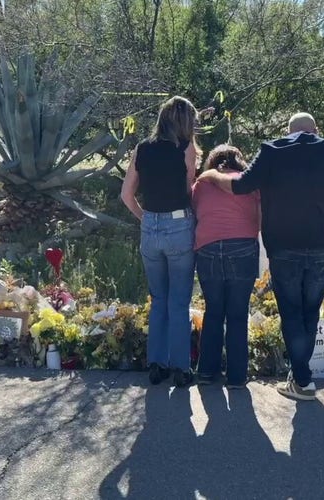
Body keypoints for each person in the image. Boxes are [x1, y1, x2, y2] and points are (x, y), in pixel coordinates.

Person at [198, 112, 324, 401]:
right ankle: (301, 377)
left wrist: (211, 174)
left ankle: (302, 379)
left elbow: (241, 185)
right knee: (311, 311)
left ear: (287, 131)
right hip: (322, 246)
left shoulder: (272, 151)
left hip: (284, 246)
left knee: (291, 312)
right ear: (316, 129)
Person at [121, 96, 200, 388]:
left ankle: (156, 363)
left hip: (151, 226)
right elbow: (189, 187)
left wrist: (146, 219)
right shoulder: (185, 148)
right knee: (179, 301)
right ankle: (181, 368)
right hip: (179, 224)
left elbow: (126, 195)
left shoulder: (142, 149)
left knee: (159, 300)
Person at [192, 145, 261, 388]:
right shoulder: (249, 183)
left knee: (213, 311)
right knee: (238, 313)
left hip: (208, 247)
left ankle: (207, 373)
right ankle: (236, 377)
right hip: (242, 247)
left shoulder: (202, 184)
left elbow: (195, 213)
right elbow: (260, 218)